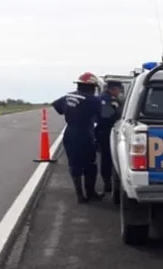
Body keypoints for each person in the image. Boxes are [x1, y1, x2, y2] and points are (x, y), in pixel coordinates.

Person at [52, 72, 104, 204]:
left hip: (70, 133)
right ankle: (90, 192)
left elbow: (57, 106)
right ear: (92, 86)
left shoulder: (68, 96)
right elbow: (102, 116)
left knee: (75, 165)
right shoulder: (94, 100)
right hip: (85, 133)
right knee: (90, 165)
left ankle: (80, 195)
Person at [95, 81, 123, 195]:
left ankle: (108, 183)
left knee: (107, 158)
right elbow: (107, 116)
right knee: (107, 159)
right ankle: (108, 184)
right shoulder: (106, 100)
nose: (119, 92)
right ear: (113, 89)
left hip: (103, 132)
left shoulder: (105, 98)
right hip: (105, 132)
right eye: (119, 90)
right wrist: (117, 111)